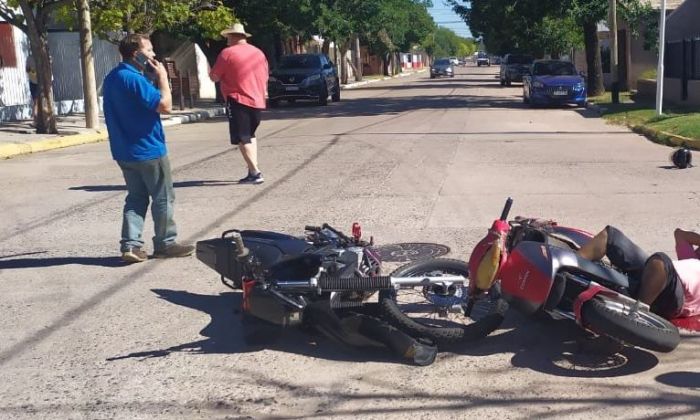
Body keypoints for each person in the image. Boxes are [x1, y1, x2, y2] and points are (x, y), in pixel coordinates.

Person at [103, 34, 194, 263]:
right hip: (148, 149)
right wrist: (163, 78)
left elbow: (140, 103)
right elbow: (165, 106)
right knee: (163, 197)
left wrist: (152, 79)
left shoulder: (113, 77)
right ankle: (166, 243)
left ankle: (131, 245)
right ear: (137, 53)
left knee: (136, 198)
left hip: (124, 151)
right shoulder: (133, 79)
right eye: (150, 50)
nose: (154, 55)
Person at [578, 226, 700, 319]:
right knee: (611, 236)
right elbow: (679, 234)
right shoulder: (691, 258)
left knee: (660, 262)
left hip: (675, 296)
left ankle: (635, 317)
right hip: (654, 276)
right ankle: (568, 263)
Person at [209, 23, 269, 184]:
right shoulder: (258, 53)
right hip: (257, 100)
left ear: (234, 37)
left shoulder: (227, 53)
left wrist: (212, 70)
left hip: (238, 99)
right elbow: (265, 76)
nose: (226, 40)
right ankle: (252, 170)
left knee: (242, 137)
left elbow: (214, 77)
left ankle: (256, 172)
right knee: (251, 135)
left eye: (228, 37)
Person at [25, 54, 39, 124]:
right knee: (36, 102)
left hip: (35, 81)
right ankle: (36, 121)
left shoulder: (30, 58)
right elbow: (27, 69)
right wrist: (34, 72)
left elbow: (27, 69)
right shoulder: (30, 58)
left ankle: (36, 121)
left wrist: (32, 72)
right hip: (34, 82)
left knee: (36, 102)